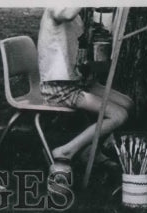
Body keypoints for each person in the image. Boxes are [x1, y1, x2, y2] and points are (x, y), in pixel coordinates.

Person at [37, 7, 132, 171]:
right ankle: (67, 150)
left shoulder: (76, 15)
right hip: (59, 86)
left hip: (77, 80)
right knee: (118, 115)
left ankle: (90, 151)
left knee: (126, 103)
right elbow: (64, 13)